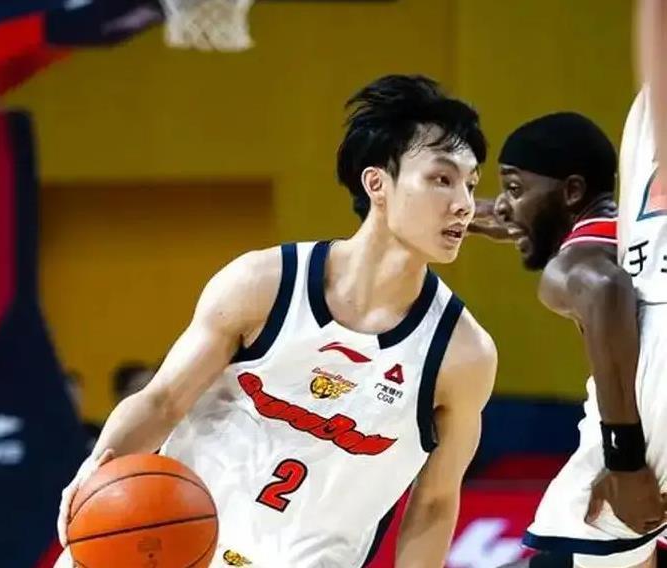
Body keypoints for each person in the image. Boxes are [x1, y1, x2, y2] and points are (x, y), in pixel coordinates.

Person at [55, 74, 497, 568]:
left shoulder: (462, 352)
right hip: (158, 542)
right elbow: (162, 400)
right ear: (377, 183)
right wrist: (97, 472)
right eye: (441, 179)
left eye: (470, 184)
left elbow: (434, 502)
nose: (464, 203)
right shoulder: (263, 283)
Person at [471, 111, 666, 568]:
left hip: (646, 436)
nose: (504, 206)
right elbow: (518, 218)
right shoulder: (624, 228)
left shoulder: (575, 264)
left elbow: (603, 288)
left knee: (562, 553)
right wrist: (471, 213)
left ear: (573, 192)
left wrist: (623, 462)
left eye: (514, 188)